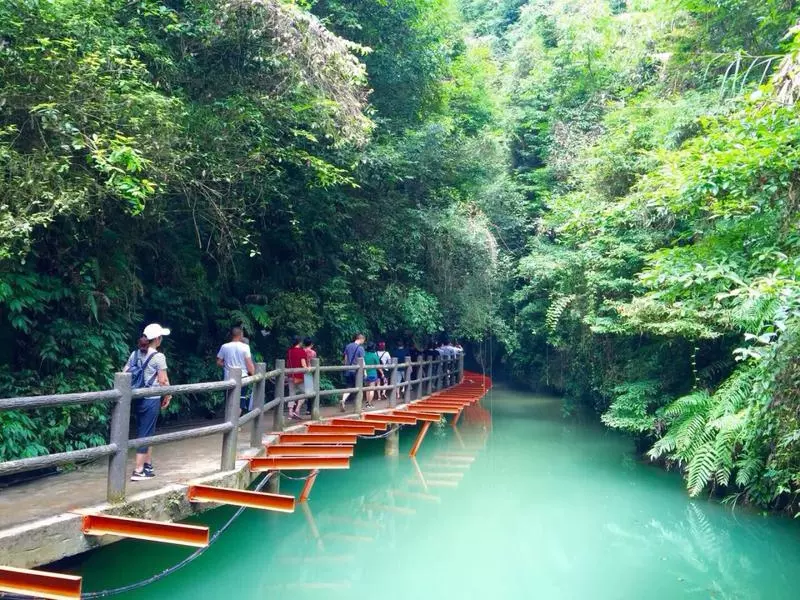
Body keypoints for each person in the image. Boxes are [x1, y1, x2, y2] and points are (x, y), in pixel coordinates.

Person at [125, 323, 172, 481]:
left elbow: (124, 372)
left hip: (137, 398)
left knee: (146, 430)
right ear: (157, 339)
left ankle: (147, 464)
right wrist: (168, 395)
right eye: (161, 337)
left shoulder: (135, 354)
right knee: (145, 433)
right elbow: (163, 380)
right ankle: (138, 470)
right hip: (151, 398)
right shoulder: (158, 356)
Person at [216, 327, 256, 415]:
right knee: (239, 402)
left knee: (229, 401)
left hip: (228, 377)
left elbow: (219, 362)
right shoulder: (245, 347)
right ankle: (235, 424)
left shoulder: (224, 346)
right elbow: (249, 363)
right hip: (243, 377)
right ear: (241, 335)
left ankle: (229, 422)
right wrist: (253, 376)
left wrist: (227, 365)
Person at [341, 333, 365, 412]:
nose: (363, 342)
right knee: (359, 387)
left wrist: (346, 367)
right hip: (356, 371)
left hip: (348, 369)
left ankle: (343, 400)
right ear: (360, 339)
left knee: (349, 387)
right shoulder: (360, 348)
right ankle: (358, 406)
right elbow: (362, 361)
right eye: (363, 340)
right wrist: (364, 371)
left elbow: (345, 358)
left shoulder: (348, 346)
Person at [285, 335, 308, 420]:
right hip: (299, 376)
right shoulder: (301, 352)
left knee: (292, 393)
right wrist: (308, 369)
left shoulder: (289, 351)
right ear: (300, 342)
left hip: (291, 375)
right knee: (306, 392)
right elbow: (303, 364)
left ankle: (290, 412)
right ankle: (297, 410)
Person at [363, 342, 382, 409]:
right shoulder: (374, 355)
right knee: (372, 389)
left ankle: (367, 402)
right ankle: (369, 404)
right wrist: (382, 373)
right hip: (373, 373)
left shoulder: (364, 354)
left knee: (367, 389)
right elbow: (378, 366)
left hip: (365, 373)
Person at [302, 337, 317, 415]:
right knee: (310, 390)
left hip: (302, 371)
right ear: (311, 344)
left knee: (301, 390)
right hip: (310, 372)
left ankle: (296, 408)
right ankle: (309, 409)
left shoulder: (302, 351)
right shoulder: (313, 352)